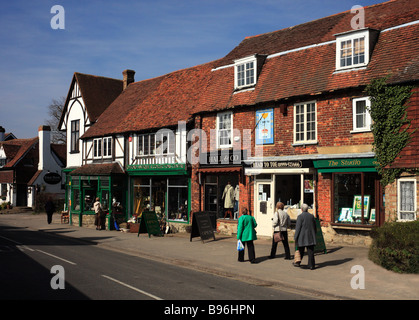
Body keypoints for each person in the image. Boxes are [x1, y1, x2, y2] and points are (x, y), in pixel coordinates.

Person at [293, 203, 317, 269]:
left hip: (302, 236)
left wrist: (295, 237)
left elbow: (298, 228)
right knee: (311, 252)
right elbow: (315, 227)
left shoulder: (300, 217)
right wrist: (314, 234)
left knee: (300, 250)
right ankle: (311, 265)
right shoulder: (312, 216)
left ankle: (297, 262)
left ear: (301, 209)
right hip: (310, 236)